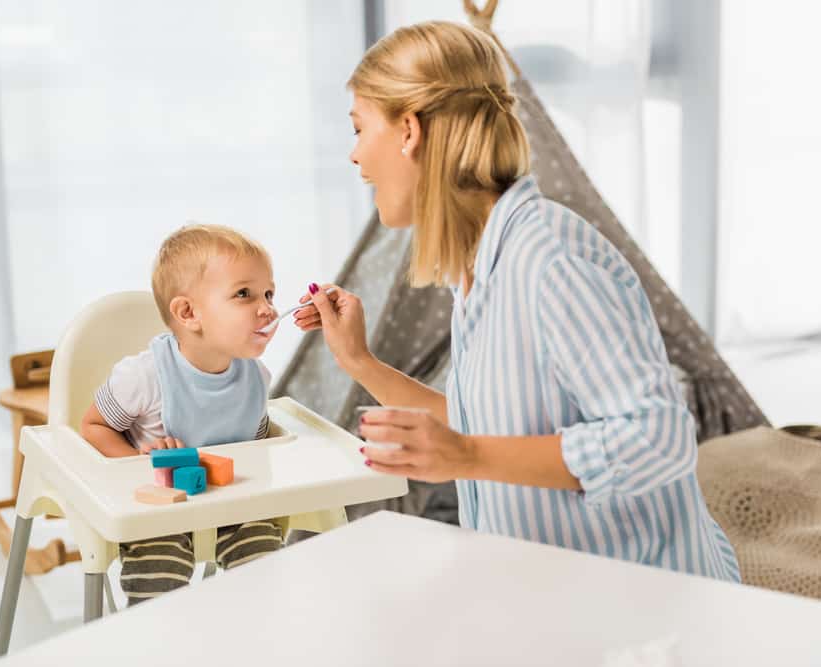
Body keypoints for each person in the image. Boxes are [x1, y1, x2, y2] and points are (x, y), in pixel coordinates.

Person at [294, 21, 739, 581]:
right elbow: (485, 425)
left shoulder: (549, 259)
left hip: (643, 607)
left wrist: (469, 458)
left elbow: (659, 437)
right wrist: (357, 360)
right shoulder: (480, 268)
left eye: (360, 129)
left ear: (408, 131)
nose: (355, 156)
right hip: (551, 592)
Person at [80, 224, 283, 604]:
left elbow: (255, 450)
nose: (267, 307)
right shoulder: (144, 376)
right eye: (244, 294)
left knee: (267, 563)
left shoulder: (257, 377)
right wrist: (144, 466)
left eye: (269, 293)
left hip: (232, 504)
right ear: (189, 312)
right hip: (161, 512)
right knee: (158, 574)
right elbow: (93, 426)